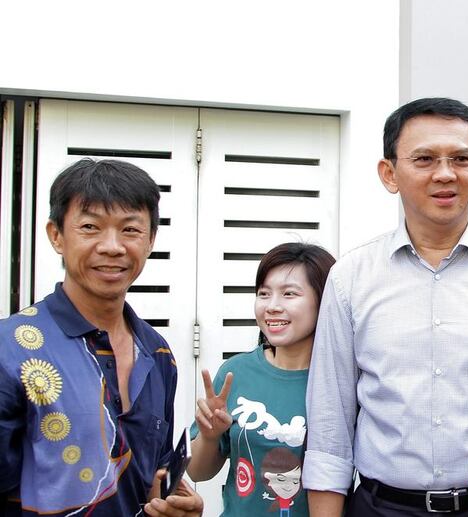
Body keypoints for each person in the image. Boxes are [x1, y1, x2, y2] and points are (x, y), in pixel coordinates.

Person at [303, 97, 468, 516]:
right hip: (384, 507)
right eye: (425, 159)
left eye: (461, 159)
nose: (445, 174)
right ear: (389, 173)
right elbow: (330, 426)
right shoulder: (351, 279)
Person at [0, 158, 203, 516]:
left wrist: (175, 505)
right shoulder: (10, 349)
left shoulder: (157, 353)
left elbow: (152, 477)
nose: (112, 246)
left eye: (130, 230)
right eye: (90, 227)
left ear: (151, 239)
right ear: (56, 235)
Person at [187, 242, 335, 516]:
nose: (272, 306)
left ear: (325, 300)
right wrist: (209, 436)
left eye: (289, 294)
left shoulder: (341, 381)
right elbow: (198, 472)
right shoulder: (237, 372)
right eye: (264, 294)